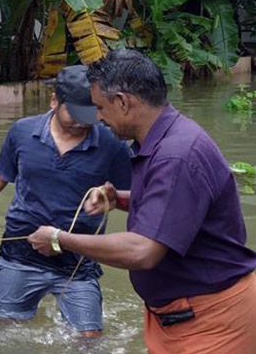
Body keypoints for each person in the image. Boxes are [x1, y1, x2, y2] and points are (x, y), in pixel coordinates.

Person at [28, 50, 256, 353]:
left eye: (100, 107)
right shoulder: (166, 140)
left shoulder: (176, 154)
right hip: (177, 317)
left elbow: (143, 251)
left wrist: (59, 238)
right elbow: (179, 204)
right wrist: (119, 200)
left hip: (212, 321)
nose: (97, 117)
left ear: (123, 102)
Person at [0, 65, 133, 337]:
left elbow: (137, 197)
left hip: (77, 262)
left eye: (91, 114)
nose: (82, 122)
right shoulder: (22, 132)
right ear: (54, 100)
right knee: (3, 333)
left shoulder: (112, 143)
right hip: (21, 255)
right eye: (74, 113)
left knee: (89, 340)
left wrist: (111, 198)